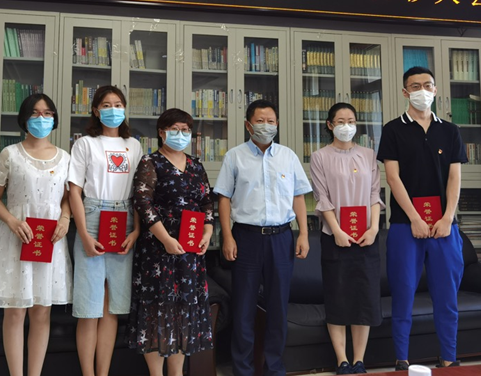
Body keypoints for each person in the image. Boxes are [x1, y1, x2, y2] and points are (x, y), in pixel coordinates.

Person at [377, 66, 467, 371]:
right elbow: (392, 177)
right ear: (405, 92)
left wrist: (447, 218)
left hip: (445, 227)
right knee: (403, 294)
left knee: (447, 297)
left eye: (427, 85)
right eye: (415, 86)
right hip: (405, 227)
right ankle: (402, 360)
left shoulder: (450, 131)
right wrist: (414, 218)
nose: (422, 91)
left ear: (435, 90)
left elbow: (454, 178)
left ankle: (449, 358)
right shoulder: (393, 129)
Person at [214, 99, 313, 376]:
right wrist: (227, 236)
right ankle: (242, 370)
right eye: (260, 121)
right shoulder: (234, 156)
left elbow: (298, 197)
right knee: (243, 309)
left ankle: (274, 369)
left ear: (277, 124)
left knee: (278, 308)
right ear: (248, 125)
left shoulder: (288, 157)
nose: (266, 126)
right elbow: (224, 198)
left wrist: (304, 234)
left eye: (271, 121)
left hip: (281, 238)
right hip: (246, 238)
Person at [0, 93, 73, 376]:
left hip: (50, 241)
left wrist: (65, 218)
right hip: (16, 239)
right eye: (35, 113)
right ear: (24, 118)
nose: (41, 118)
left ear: (54, 119)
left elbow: (68, 198)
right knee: (15, 311)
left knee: (42, 311)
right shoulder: (10, 154)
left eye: (47, 113)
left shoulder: (65, 158)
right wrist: (12, 220)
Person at [126, 108, 215, 376]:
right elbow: (143, 202)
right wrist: (165, 238)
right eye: (174, 129)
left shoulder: (196, 165)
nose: (180, 134)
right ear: (161, 132)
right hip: (158, 250)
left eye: (185, 130)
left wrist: (207, 233)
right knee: (157, 311)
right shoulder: (151, 162)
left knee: (182, 311)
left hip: (189, 251)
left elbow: (206, 203)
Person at [68, 85, 143, 376]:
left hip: (124, 218)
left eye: (118, 105)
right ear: (96, 111)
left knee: (112, 306)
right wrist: (84, 234)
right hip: (93, 216)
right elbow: (74, 192)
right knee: (90, 306)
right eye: (107, 105)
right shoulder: (85, 144)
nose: (113, 110)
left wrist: (136, 230)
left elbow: (139, 193)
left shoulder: (134, 145)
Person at [310, 102, 384, 375]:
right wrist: (337, 231)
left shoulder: (368, 155)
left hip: (366, 237)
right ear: (330, 125)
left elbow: (374, 194)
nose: (346, 126)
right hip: (335, 238)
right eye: (340, 121)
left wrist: (374, 228)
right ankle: (342, 360)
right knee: (338, 297)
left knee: (364, 297)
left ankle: (359, 360)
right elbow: (322, 198)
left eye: (351, 121)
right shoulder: (319, 157)